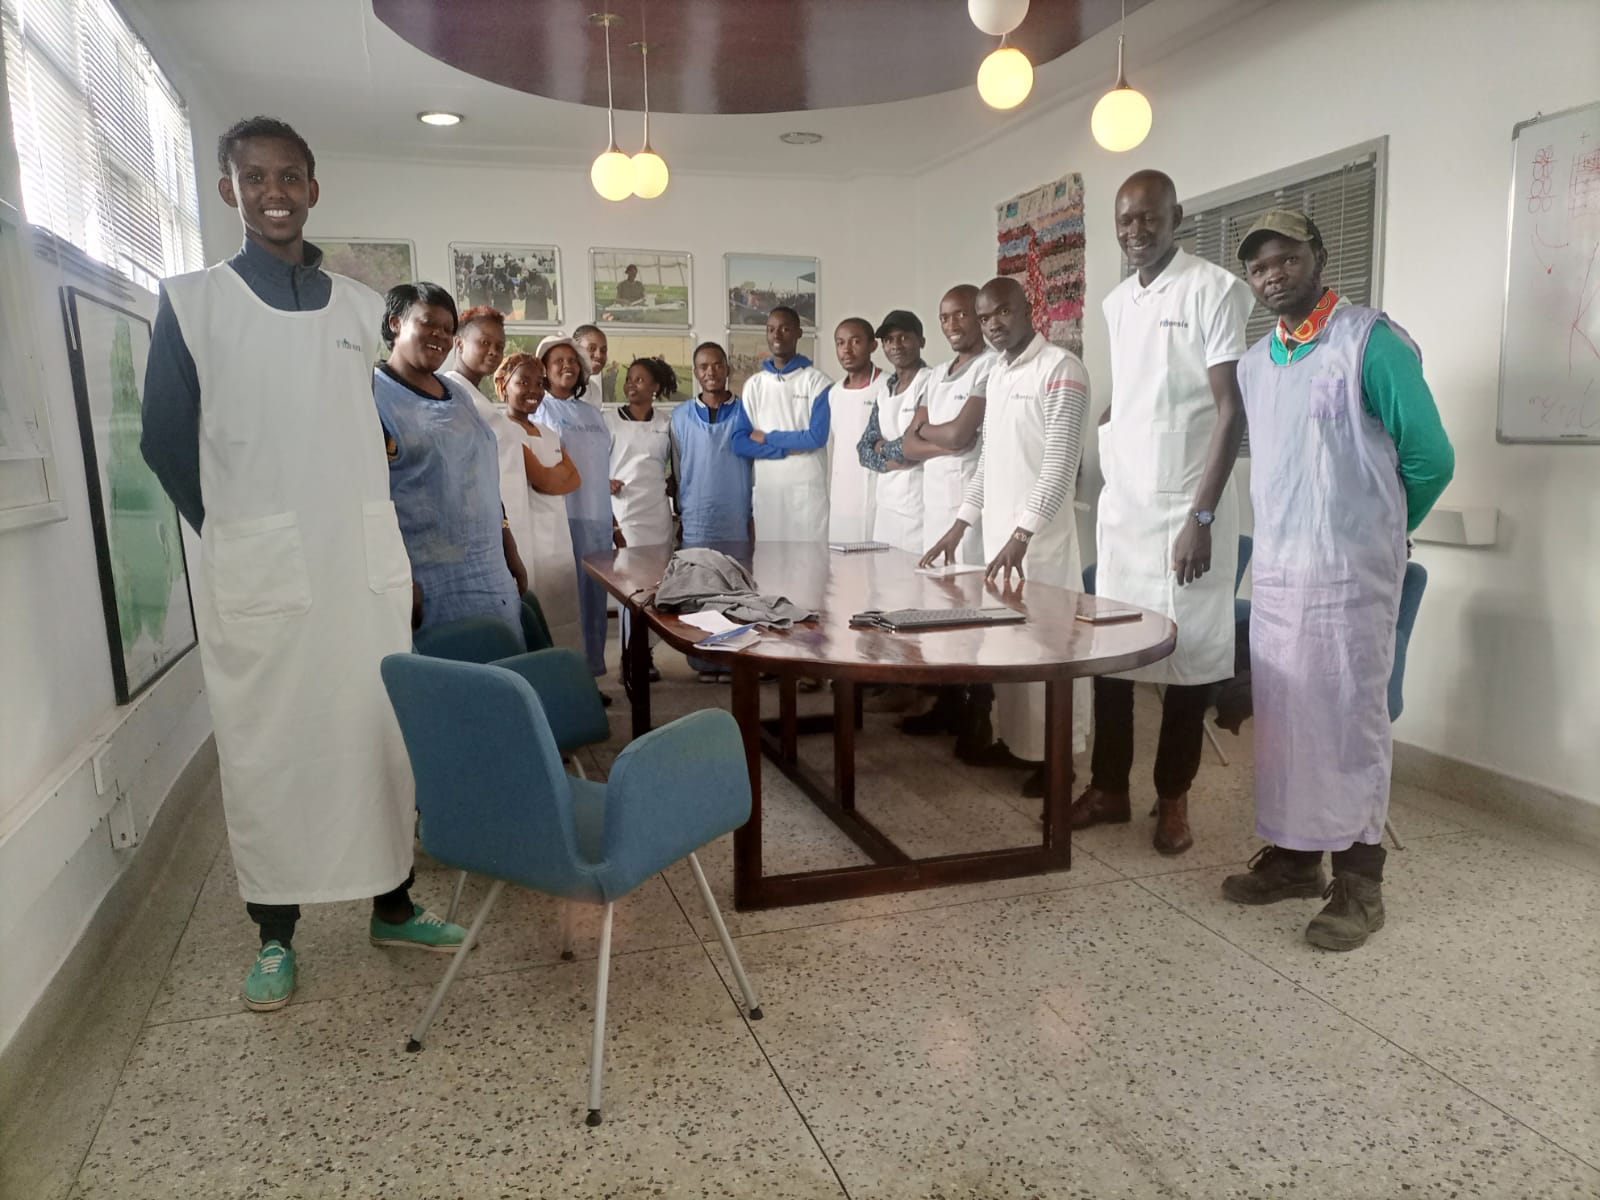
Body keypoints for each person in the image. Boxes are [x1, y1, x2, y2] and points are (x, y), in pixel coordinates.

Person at [139, 116, 465, 1014]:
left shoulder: (361, 309)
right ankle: (274, 934)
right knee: (270, 744)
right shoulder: (192, 302)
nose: (274, 192)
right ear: (228, 191)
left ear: (314, 188)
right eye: (254, 178)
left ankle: (392, 905)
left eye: (289, 176)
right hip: (263, 567)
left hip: (357, 563)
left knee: (375, 732)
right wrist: (235, 530)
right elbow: (164, 441)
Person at [1222, 209, 1454, 950]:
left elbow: (1431, 458)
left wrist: (1383, 528)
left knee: (1350, 721)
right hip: (1281, 578)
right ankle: (1295, 859)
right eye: (1259, 266)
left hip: (1352, 577)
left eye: (1286, 258)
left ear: (1319, 257)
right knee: (1288, 719)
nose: (1273, 275)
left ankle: (1360, 883)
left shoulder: (1368, 341)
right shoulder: (1256, 365)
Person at [1071, 170, 1257, 858]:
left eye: (1149, 217)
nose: (1136, 231)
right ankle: (1108, 788)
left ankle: (1173, 798)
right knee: (1114, 655)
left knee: (1189, 657)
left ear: (1176, 217)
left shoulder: (1214, 289)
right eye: (1125, 220)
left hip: (1188, 506)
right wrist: (1111, 430)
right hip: (1128, 510)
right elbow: (1135, 390)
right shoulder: (1118, 302)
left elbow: (1231, 410)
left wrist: (1200, 520)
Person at [920, 277, 1091, 798]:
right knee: (1008, 650)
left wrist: (1023, 533)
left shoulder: (1061, 368)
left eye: (1002, 312)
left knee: (1047, 649)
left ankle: (1059, 761)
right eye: (985, 316)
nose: (992, 324)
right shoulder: (995, 373)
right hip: (1000, 541)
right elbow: (989, 461)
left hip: (1039, 544)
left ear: (1028, 308)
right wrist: (960, 525)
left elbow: (1060, 466)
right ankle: (1018, 745)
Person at [375, 283, 528, 642]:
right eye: (428, 323)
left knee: (506, 661)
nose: (440, 336)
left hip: (490, 571)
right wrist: (398, 577)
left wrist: (509, 545)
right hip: (429, 583)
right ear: (396, 323)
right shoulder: (375, 396)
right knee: (455, 668)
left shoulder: (457, 393)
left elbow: (483, 478)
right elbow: (367, 498)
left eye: (447, 328)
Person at [898, 285, 994, 747]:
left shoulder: (989, 367)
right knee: (938, 612)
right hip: (935, 505)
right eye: (945, 317)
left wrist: (932, 433)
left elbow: (959, 435)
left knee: (971, 613)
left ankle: (977, 716)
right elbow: (908, 443)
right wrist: (946, 438)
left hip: (968, 511)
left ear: (980, 317)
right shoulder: (935, 375)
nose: (953, 325)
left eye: (961, 315)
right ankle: (947, 703)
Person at [484, 352, 583, 654]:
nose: (533, 390)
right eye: (523, 382)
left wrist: (552, 477)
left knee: (562, 611)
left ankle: (567, 670)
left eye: (539, 383)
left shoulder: (549, 433)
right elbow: (546, 480)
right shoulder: (503, 431)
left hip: (557, 537)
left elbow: (574, 479)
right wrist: (553, 477)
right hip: (526, 537)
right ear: (503, 385)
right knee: (533, 611)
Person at [671, 341, 757, 682]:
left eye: (717, 364)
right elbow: (678, 469)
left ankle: (734, 661)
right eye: (704, 366)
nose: (711, 372)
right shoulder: (680, 416)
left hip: (736, 516)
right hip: (697, 518)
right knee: (700, 592)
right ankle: (704, 662)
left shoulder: (747, 412)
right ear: (695, 372)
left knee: (736, 592)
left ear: (727, 369)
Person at [535, 336, 616, 687]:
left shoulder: (592, 413)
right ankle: (566, 682)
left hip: (597, 517)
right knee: (566, 599)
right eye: (558, 361)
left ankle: (591, 676)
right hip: (562, 516)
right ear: (544, 369)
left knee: (594, 599)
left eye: (572, 361)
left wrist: (612, 521)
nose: (567, 366)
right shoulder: (540, 409)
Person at [605, 356, 677, 681]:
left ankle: (645, 653)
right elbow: (597, 463)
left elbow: (674, 466)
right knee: (631, 588)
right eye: (629, 379)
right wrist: (604, 481)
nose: (631, 384)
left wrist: (674, 484)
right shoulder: (610, 420)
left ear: (655, 387)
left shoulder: (666, 423)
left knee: (656, 587)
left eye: (639, 379)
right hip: (626, 513)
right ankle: (628, 656)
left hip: (657, 513)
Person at [737, 305, 833, 542]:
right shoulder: (754, 385)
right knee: (770, 560)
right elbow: (740, 443)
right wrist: (787, 449)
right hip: (768, 490)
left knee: (810, 560)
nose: (777, 335)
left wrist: (767, 437)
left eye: (784, 329)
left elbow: (816, 437)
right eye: (771, 329)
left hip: (806, 491)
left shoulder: (818, 382)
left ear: (799, 333)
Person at [856, 309, 929, 553]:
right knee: (883, 572)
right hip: (886, 506)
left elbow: (916, 445)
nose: (896, 345)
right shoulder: (885, 390)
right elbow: (863, 449)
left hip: (918, 505)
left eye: (904, 337)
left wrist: (883, 447)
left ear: (921, 341)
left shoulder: (930, 382)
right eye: (888, 340)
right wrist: (892, 461)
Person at [822, 317, 886, 544]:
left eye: (855, 341)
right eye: (840, 343)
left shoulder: (886, 386)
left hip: (875, 495)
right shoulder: (834, 393)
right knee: (840, 559)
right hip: (841, 496)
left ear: (873, 345)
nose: (846, 350)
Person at [441, 303, 505, 399]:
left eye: (500, 347)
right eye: (485, 342)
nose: (494, 352)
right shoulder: (447, 392)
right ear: (459, 343)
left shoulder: (471, 392)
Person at [574, 323, 615, 407]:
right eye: (591, 348)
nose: (598, 355)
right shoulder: (562, 389)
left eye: (603, 350)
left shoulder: (595, 390)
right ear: (575, 350)